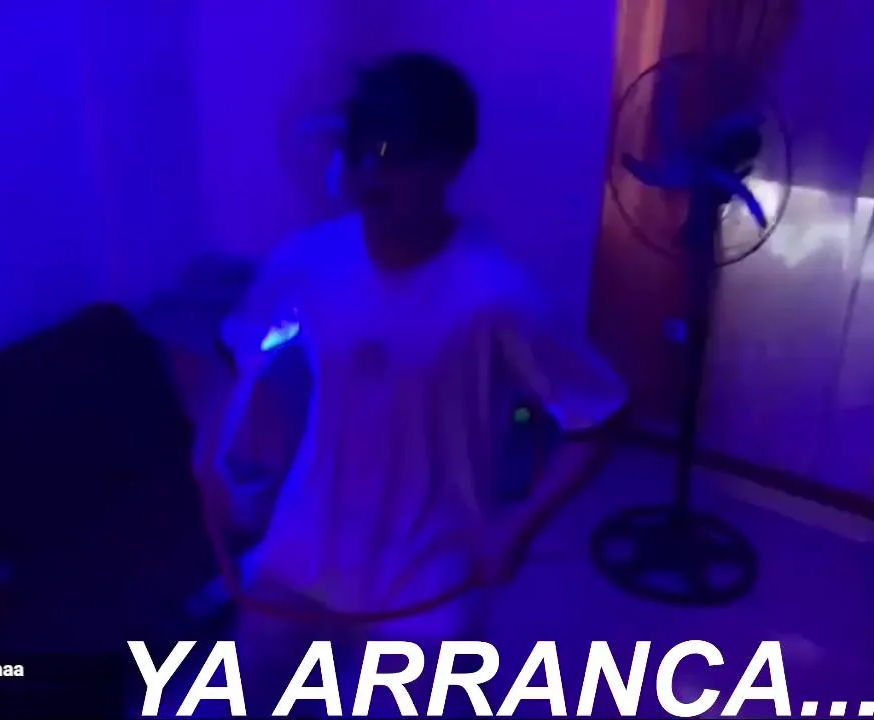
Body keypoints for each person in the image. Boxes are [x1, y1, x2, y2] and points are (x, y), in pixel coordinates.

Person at [193, 51, 627, 717]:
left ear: (450, 164)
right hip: (308, 540)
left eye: (395, 154)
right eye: (362, 148)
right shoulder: (308, 261)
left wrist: (516, 527)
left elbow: (598, 417)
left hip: (431, 561)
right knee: (245, 694)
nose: (372, 171)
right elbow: (244, 348)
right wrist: (214, 458)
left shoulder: (499, 296)